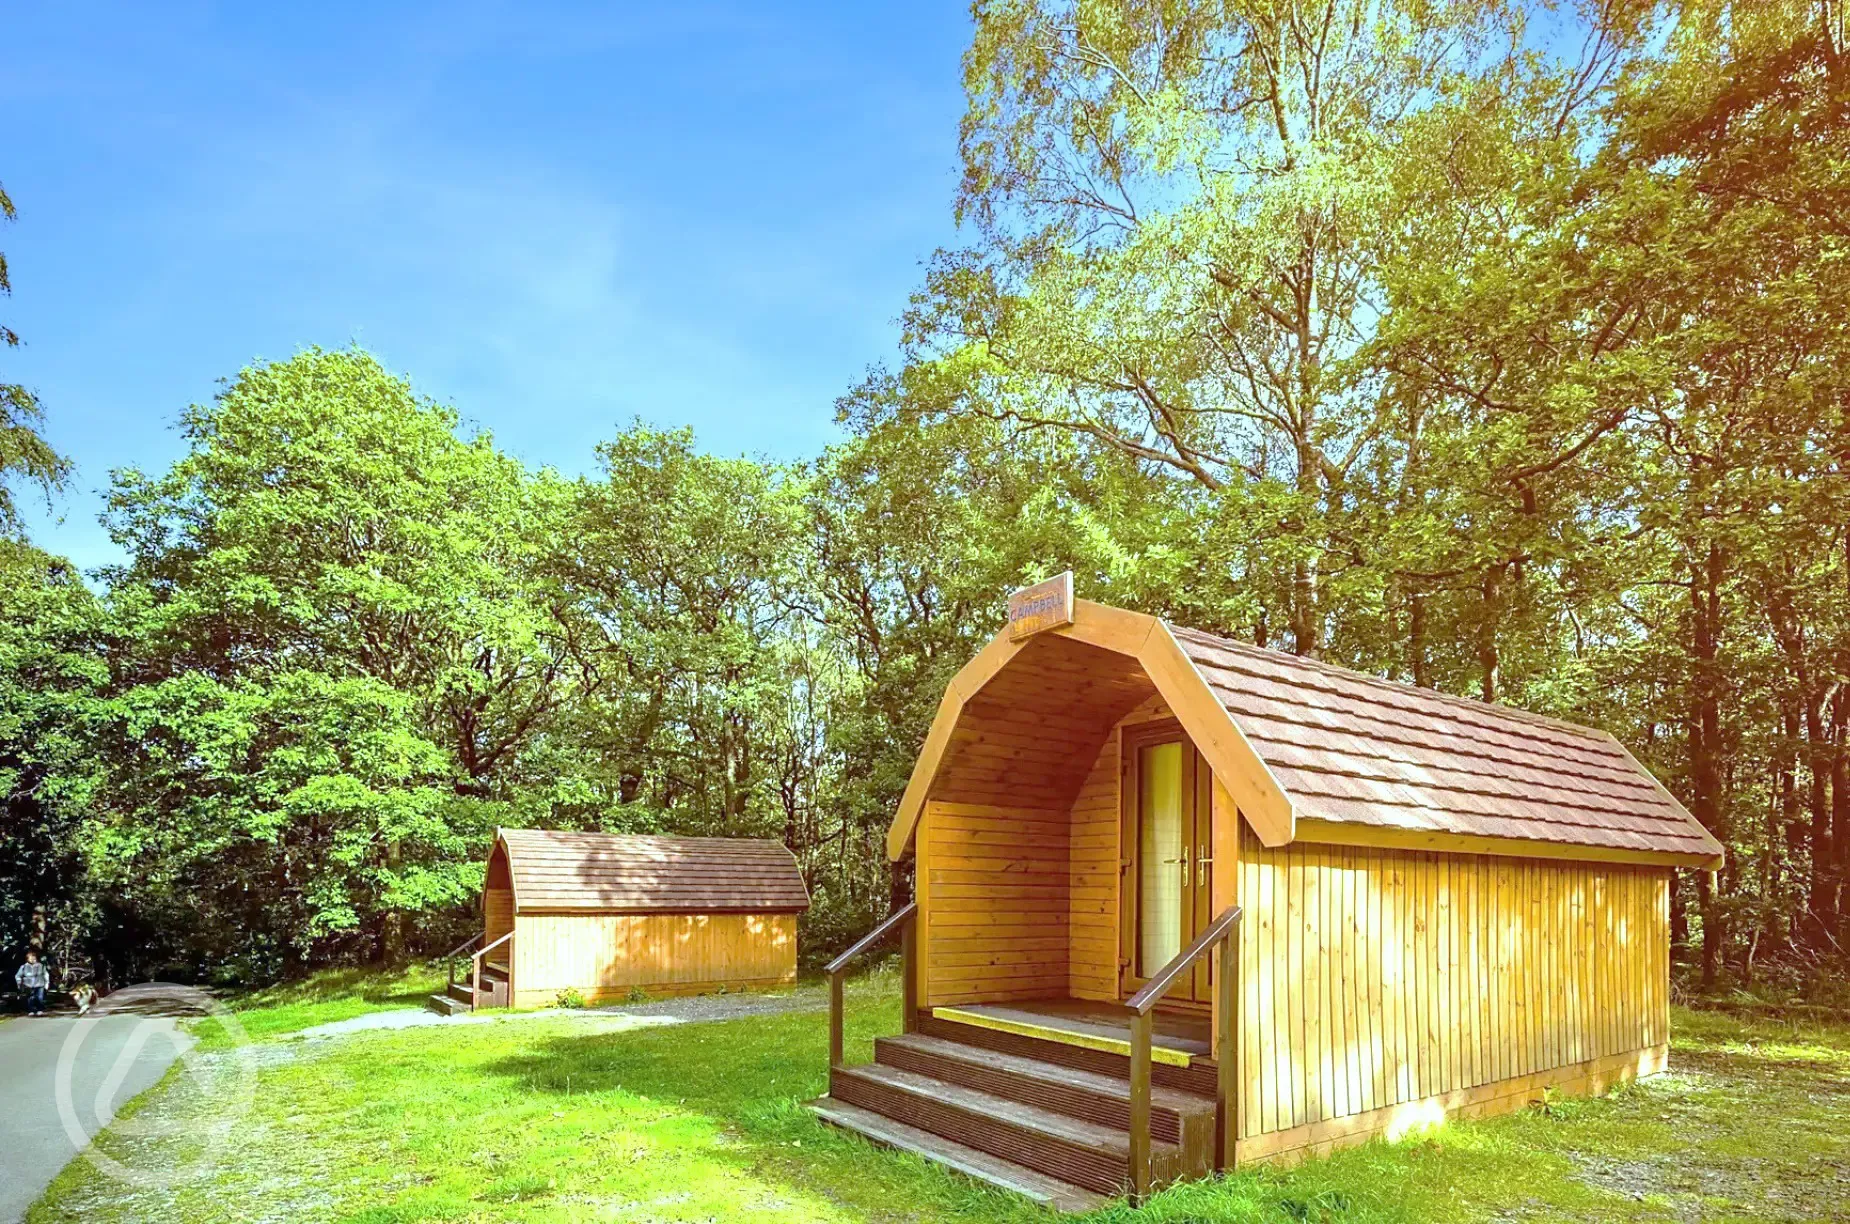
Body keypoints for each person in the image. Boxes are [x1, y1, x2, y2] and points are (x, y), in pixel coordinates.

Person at [15, 950, 50, 1016]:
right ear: (27, 959)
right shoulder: (23, 967)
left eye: (34, 958)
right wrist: (19, 983)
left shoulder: (41, 966)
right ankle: (31, 1010)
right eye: (31, 958)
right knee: (30, 998)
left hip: (39, 984)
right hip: (28, 985)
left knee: (40, 998)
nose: (33, 960)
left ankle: (40, 1009)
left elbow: (46, 974)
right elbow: (18, 976)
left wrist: (47, 983)